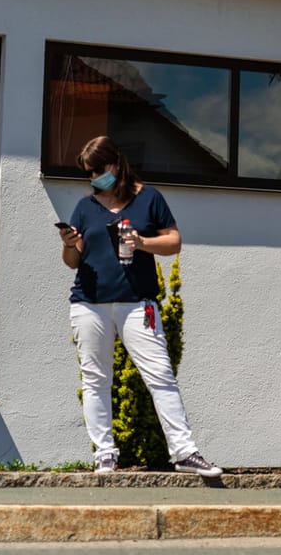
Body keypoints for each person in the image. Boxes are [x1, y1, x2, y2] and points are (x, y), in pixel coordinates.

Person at [57, 136, 221, 477]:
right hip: (89, 303)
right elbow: (73, 261)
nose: (94, 178)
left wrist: (143, 242)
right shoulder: (86, 206)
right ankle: (105, 455)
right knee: (95, 379)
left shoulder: (149, 198)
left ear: (115, 163)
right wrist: (70, 244)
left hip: (137, 302)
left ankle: (185, 453)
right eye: (88, 173)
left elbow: (174, 242)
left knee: (160, 376)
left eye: (98, 170)